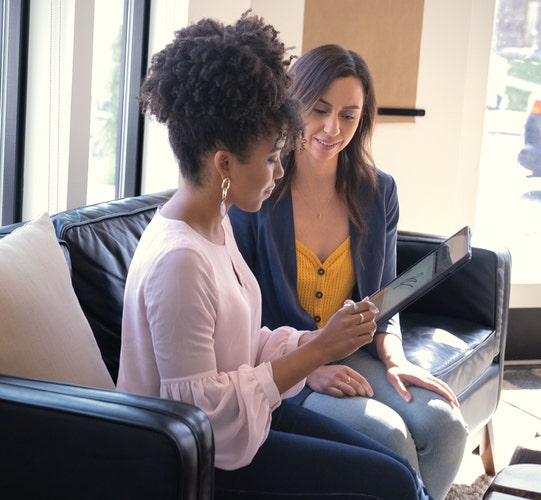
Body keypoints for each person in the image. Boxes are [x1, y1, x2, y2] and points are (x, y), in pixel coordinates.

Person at [116, 14, 431, 499]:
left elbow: (239, 346)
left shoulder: (213, 224)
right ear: (224, 163)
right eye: (270, 158)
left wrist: (315, 340)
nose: (279, 170)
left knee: (398, 475)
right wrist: (317, 353)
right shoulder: (180, 261)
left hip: (248, 418)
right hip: (196, 457)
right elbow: (205, 416)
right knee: (390, 485)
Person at [229, 44, 467, 499]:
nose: (331, 128)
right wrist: (306, 364)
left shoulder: (378, 192)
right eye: (319, 109)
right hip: (287, 363)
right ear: (293, 102)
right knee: (389, 437)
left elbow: (385, 300)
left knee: (446, 425)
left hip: (356, 354)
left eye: (349, 115)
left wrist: (395, 357)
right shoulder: (257, 189)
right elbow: (239, 316)